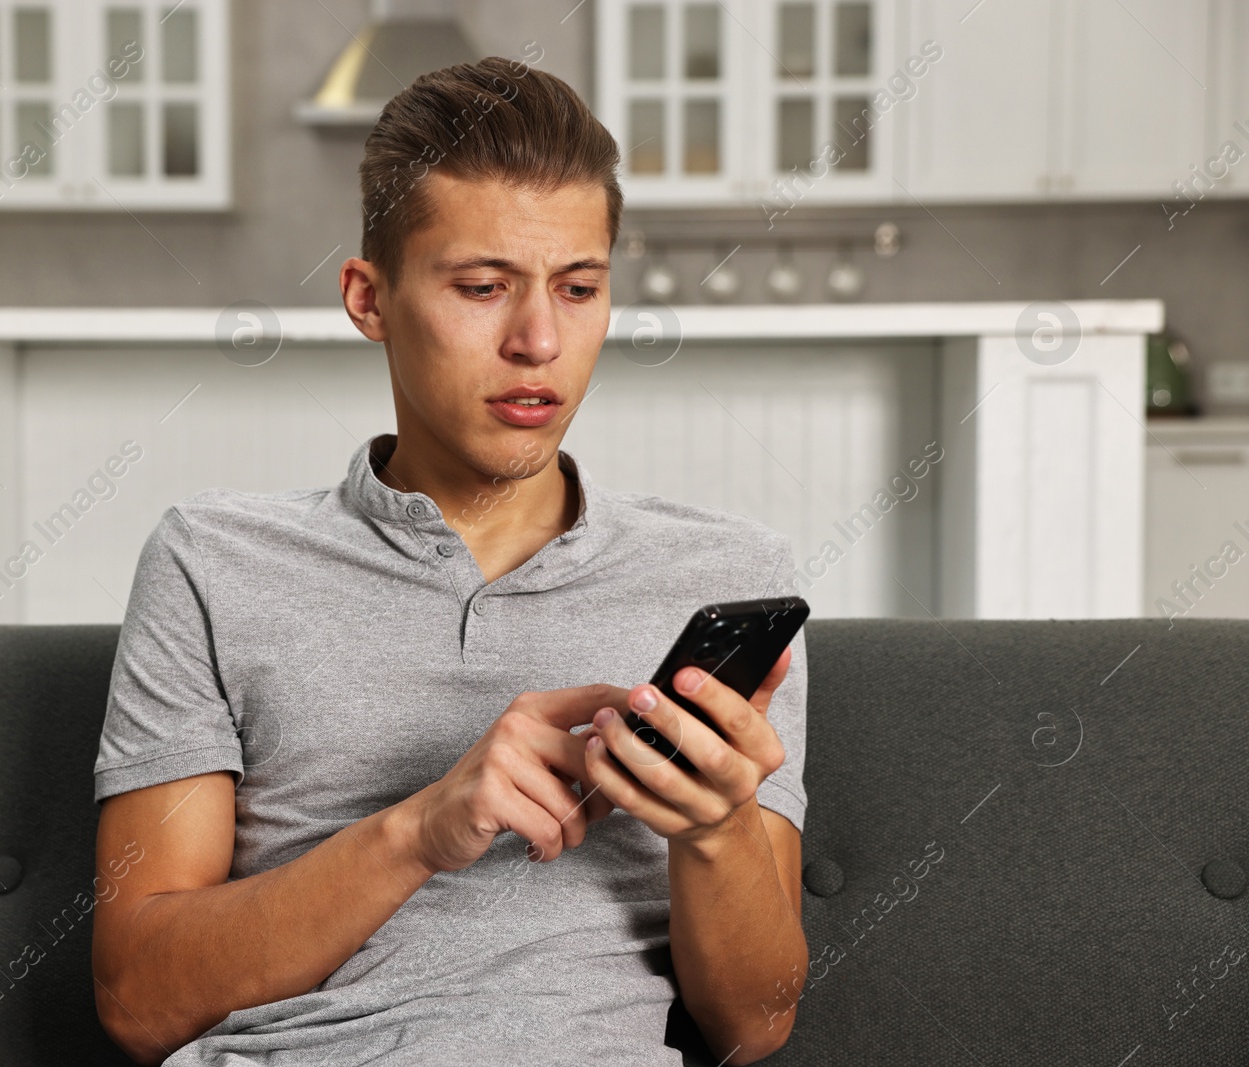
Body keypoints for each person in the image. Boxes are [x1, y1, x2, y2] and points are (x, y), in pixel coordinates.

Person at [90, 56, 809, 1067]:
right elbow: (138, 1001)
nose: (538, 340)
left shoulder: (723, 574)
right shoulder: (211, 562)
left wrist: (715, 829)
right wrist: (422, 826)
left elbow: (755, 1025)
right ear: (368, 298)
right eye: (482, 286)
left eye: (580, 287)